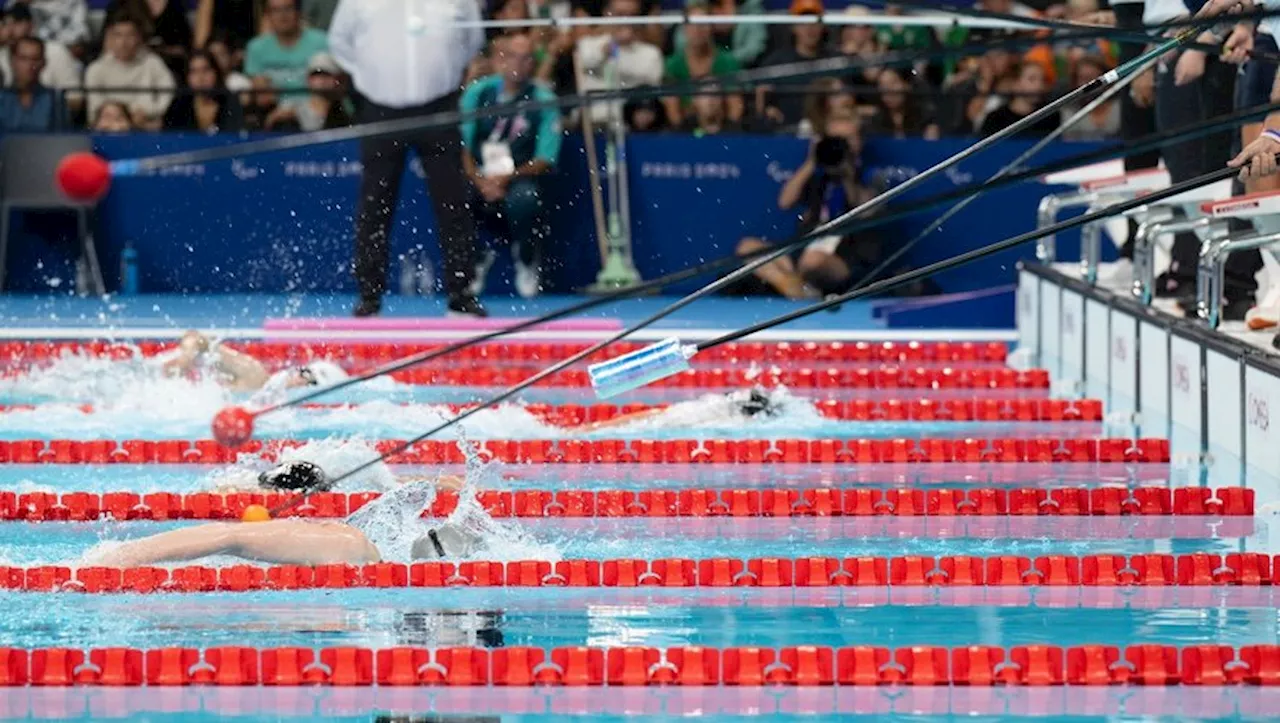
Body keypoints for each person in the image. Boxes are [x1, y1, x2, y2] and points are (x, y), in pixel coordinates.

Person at [328, 0, 487, 318]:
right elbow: (339, 43)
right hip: (380, 109)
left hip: (440, 107)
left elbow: (472, 40)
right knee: (375, 204)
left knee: (453, 202)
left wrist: (445, 69)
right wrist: (371, 74)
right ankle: (369, 295)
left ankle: (461, 294)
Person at [731, 109, 878, 300]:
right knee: (747, 247)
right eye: (834, 139)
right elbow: (785, 201)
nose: (840, 144)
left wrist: (847, 173)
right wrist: (812, 161)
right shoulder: (820, 176)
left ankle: (796, 287)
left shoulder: (871, 174)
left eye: (847, 139)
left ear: (859, 141)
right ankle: (793, 287)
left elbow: (865, 209)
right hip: (805, 249)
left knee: (812, 261)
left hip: (846, 255)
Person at [461, 33, 562, 300]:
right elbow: (461, 146)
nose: (519, 63)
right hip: (480, 173)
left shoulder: (543, 99)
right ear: (499, 60)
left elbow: (545, 159)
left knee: (526, 199)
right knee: (452, 194)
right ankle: (472, 261)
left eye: (527, 57)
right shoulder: (478, 91)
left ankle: (527, 258)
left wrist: (507, 177)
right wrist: (480, 179)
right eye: (512, 56)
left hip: (520, 176)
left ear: (533, 62)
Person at [162, 330, 348, 393]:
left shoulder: (255, 382)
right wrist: (185, 359)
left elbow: (198, 339)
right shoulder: (255, 377)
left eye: (308, 381)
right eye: (302, 373)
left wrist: (185, 359)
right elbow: (197, 340)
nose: (299, 379)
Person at [84, 13, 175, 129]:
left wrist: (151, 112)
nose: (124, 42)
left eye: (130, 35)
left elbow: (168, 92)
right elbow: (95, 110)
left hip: (148, 126)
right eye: (118, 35)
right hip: (111, 129)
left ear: (139, 38)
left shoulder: (153, 63)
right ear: (110, 39)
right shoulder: (96, 69)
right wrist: (127, 117)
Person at [243, 0, 327, 108]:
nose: (282, 15)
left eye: (288, 8)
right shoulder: (256, 48)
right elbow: (263, 98)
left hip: (316, 113)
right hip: (273, 115)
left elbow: (327, 90)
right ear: (267, 15)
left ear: (298, 12)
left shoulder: (321, 43)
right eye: (276, 10)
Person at [163, 49, 243, 132]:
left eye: (206, 70)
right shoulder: (180, 103)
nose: (200, 77)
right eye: (194, 71)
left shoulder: (230, 101)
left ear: (216, 72)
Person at [0, 36, 66, 131]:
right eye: (23, 59)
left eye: (35, 59)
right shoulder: (1, 98)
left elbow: (62, 138)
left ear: (43, 63)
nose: (30, 65)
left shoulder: (55, 99)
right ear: (12, 61)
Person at [978, 62, 1059, 138]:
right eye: (1032, 79)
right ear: (1016, 83)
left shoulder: (1050, 117)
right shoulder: (995, 119)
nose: (1039, 85)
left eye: (1042, 80)